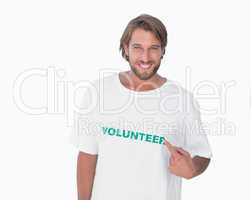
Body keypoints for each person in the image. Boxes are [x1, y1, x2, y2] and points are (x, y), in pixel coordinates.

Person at [70, 14, 212, 200]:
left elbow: (202, 154)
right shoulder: (98, 91)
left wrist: (192, 169)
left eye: (154, 48)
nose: (145, 57)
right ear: (126, 48)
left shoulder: (182, 99)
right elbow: (87, 157)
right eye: (137, 48)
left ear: (163, 51)